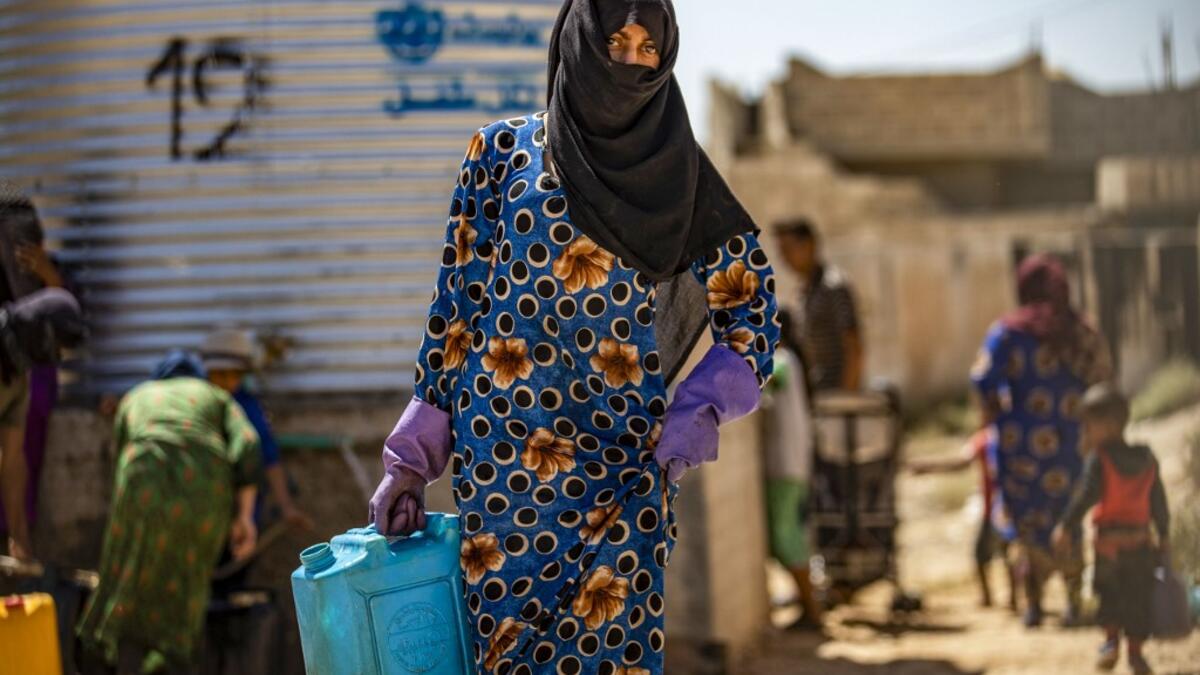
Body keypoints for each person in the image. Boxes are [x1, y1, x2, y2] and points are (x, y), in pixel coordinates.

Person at [367, 1, 781, 672]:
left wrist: (698, 409)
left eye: (651, 46)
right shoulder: (500, 153)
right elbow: (455, 308)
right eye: (617, 39)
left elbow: (753, 313)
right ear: (579, 41)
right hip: (502, 480)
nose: (633, 60)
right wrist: (411, 457)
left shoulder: (685, 178)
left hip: (621, 478)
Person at [77, 351, 261, 675]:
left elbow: (122, 454)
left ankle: (98, 646)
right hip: (204, 488)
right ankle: (167, 661)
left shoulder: (137, 395)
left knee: (123, 567)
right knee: (188, 581)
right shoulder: (216, 396)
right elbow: (247, 443)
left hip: (143, 476)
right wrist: (244, 517)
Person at [971, 253, 1113, 628]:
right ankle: (1071, 603)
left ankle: (1033, 607)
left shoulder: (1008, 332)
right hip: (1071, 446)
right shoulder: (1082, 330)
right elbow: (1103, 379)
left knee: (1029, 526)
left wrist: (995, 413)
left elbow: (982, 379)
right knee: (1068, 519)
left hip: (1021, 450)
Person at [1051, 385, 1169, 675]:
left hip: (1108, 548)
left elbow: (1086, 495)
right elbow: (1159, 501)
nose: (1086, 432)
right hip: (1141, 543)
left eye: (1088, 425)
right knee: (1138, 598)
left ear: (1107, 425)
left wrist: (1066, 525)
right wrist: (1164, 534)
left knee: (1110, 595)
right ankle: (1136, 654)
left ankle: (1110, 643)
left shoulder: (1099, 460)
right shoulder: (1147, 458)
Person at [0, 188, 67, 551]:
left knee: (21, 454)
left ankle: (17, 533)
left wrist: (45, 272)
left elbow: (66, 314)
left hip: (30, 382)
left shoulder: (43, 267)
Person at [199, 327, 313, 533]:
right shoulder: (196, 405)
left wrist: (286, 507)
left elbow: (270, 457)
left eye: (233, 375)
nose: (227, 382)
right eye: (220, 375)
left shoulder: (248, 407)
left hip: (241, 511)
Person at [0, 287, 84, 562]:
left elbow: (13, 461)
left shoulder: (18, 378)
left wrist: (19, 536)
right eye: (56, 345)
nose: (56, 357)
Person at [909, 428, 1016, 610]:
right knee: (999, 554)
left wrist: (928, 466)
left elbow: (961, 462)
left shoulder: (991, 438)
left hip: (1000, 508)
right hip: (1004, 507)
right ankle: (998, 598)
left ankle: (1005, 599)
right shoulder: (997, 437)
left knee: (995, 554)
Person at [761, 309, 822, 629]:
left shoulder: (781, 360)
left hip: (785, 465)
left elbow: (760, 384)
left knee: (786, 539)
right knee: (788, 536)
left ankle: (812, 611)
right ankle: (808, 606)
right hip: (791, 464)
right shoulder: (792, 361)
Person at [774, 218, 863, 392]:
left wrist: (844, 400)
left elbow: (854, 348)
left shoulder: (833, 286)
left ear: (809, 245)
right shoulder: (805, 292)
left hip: (836, 398)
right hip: (818, 394)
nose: (784, 258)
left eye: (788, 249)